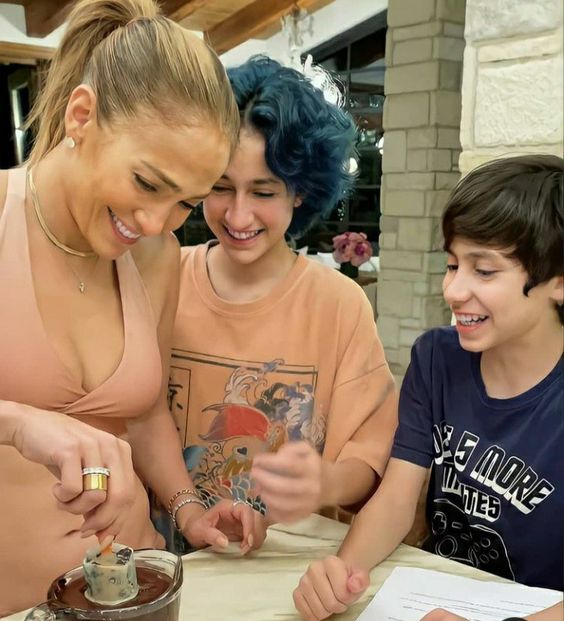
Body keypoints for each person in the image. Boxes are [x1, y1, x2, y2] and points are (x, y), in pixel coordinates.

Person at [0, 0, 259, 614]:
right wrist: (17, 422)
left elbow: (142, 416)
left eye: (185, 203)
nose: (153, 223)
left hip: (133, 593)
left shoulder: (156, 257)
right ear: (81, 115)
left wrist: (189, 511)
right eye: (147, 183)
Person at [293, 154, 564, 621]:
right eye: (453, 264)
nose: (453, 290)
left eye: (484, 270)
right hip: (431, 595)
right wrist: (343, 572)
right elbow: (397, 498)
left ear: (557, 282)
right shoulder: (437, 358)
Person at [164, 55, 398, 553]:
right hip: (166, 564)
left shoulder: (339, 304)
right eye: (221, 187)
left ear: (301, 192)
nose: (238, 215)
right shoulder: (163, 279)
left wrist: (324, 484)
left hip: (288, 568)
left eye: (263, 192)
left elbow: (369, 456)